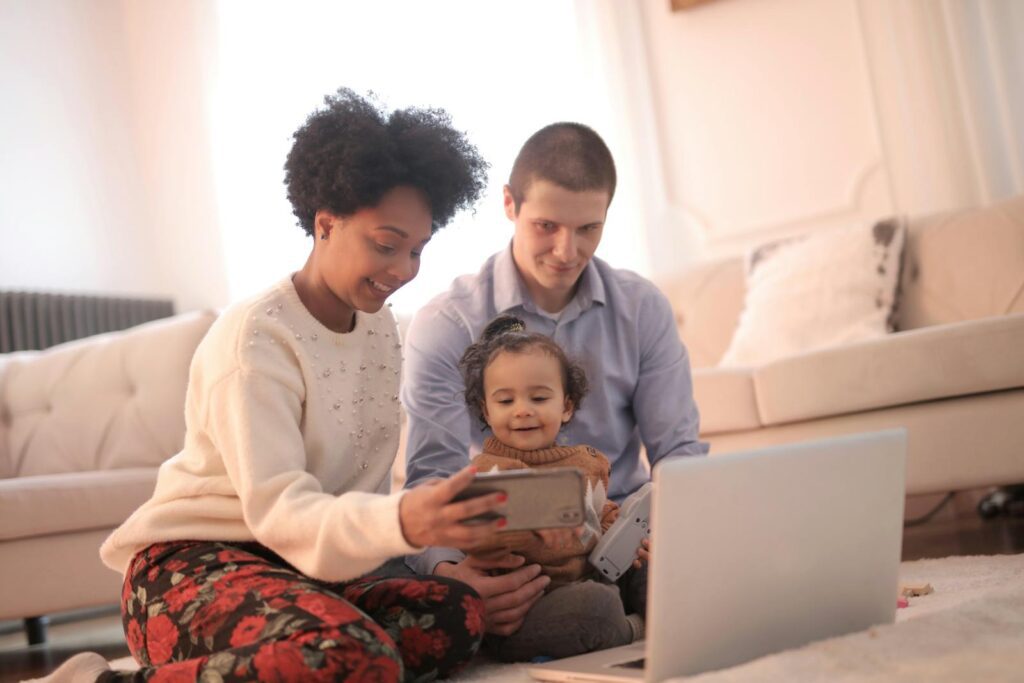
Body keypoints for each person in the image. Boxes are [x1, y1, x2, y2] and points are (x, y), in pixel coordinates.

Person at [35, 88, 499, 683]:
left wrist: (432, 555)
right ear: (325, 222)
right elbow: (282, 513)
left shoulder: (379, 328)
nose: (404, 270)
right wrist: (403, 521)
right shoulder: (257, 338)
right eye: (386, 245)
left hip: (300, 573)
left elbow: (351, 500)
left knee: (455, 614)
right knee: (351, 657)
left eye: (417, 249)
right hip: (191, 571)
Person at [401, 122, 708, 653]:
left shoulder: (642, 308)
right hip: (518, 554)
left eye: (589, 227)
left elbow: (678, 454)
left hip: (626, 535)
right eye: (547, 225)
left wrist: (670, 533)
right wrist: (455, 573)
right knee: (574, 612)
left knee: (721, 577)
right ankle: (635, 625)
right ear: (509, 205)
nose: (567, 250)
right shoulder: (448, 322)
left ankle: (647, 608)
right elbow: (430, 480)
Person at [457, 314, 645, 661]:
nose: (523, 411)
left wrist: (628, 542)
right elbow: (475, 534)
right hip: (532, 610)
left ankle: (670, 618)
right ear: (486, 409)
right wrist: (534, 512)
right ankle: (636, 630)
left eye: (539, 399)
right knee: (596, 608)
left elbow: (605, 513)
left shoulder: (588, 462)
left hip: (597, 573)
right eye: (505, 401)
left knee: (651, 567)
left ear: (567, 406)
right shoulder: (486, 472)